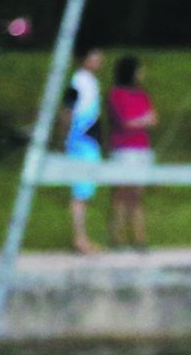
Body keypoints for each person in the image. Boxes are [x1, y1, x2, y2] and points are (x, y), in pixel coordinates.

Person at [107, 55, 157, 250]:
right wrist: (141, 120)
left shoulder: (141, 94)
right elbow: (125, 122)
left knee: (136, 195)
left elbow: (153, 118)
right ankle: (117, 236)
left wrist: (138, 121)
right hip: (124, 149)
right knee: (121, 193)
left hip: (141, 149)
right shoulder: (116, 94)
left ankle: (139, 238)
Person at [59, 46, 104, 254]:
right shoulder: (78, 81)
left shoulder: (91, 82)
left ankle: (82, 237)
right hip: (81, 140)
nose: (99, 60)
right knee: (80, 191)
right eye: (94, 56)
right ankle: (80, 239)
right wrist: (66, 137)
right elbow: (67, 109)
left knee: (84, 191)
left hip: (88, 140)